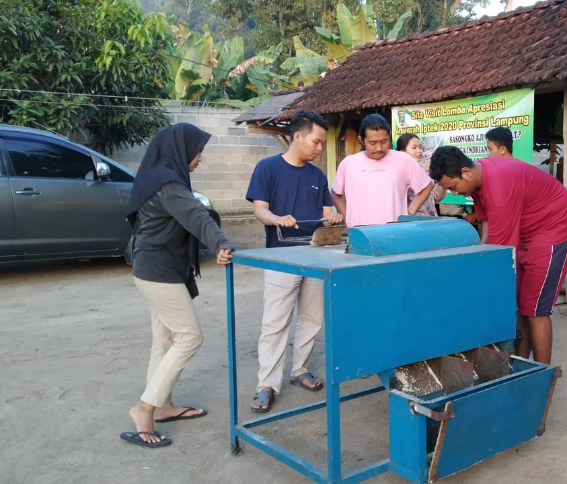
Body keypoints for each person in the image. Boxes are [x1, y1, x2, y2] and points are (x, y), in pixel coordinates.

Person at [122, 123, 235, 448]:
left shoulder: (158, 177)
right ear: (181, 150)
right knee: (190, 337)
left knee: (165, 340)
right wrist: (222, 243)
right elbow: (197, 216)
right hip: (158, 273)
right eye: (198, 151)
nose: (199, 157)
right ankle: (144, 409)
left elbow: (192, 215)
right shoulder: (168, 183)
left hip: (156, 269)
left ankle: (164, 405)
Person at [429, 146, 567, 365]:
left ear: (465, 172)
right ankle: (519, 366)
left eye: (453, 187)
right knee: (519, 305)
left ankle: (543, 374)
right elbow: (487, 228)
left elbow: (500, 255)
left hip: (556, 226)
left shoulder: (499, 187)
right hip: (528, 231)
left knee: (535, 309)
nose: (454, 193)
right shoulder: (477, 180)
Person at [245, 110, 343, 413]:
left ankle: (300, 369)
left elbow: (326, 213)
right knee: (275, 322)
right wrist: (277, 218)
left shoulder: (317, 175)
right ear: (297, 136)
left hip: (315, 256)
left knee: (313, 318)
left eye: (322, 143)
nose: (319, 148)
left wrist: (333, 218)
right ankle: (267, 384)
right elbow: (260, 210)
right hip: (281, 256)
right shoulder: (267, 168)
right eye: (316, 142)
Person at [331, 114, 433, 227]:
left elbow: (426, 186)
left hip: (394, 231)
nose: (379, 148)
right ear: (361, 140)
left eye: (384, 141)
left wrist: (409, 212)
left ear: (389, 136)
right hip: (359, 232)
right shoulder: (348, 163)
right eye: (373, 143)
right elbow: (336, 193)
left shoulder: (404, 160)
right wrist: (347, 218)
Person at [396, 132, 447, 217]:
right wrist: (422, 170)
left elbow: (435, 198)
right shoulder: (397, 172)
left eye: (420, 147)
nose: (419, 151)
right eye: (414, 148)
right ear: (402, 152)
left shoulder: (427, 171)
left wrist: (442, 179)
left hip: (429, 218)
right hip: (410, 220)